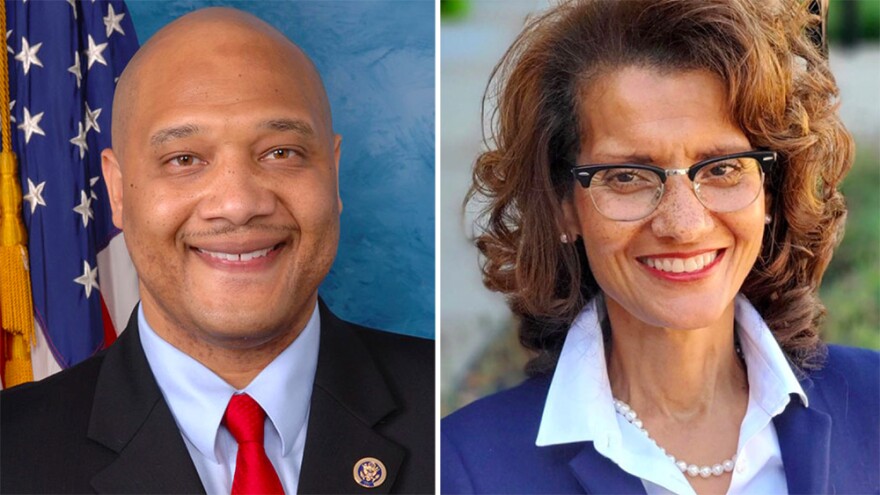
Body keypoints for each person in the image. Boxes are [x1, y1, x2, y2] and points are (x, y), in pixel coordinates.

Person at [441, 0, 878, 494]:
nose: (683, 225)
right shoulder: (460, 467)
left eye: (722, 168)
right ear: (563, 206)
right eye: (627, 176)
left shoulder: (874, 406)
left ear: (771, 192)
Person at [1, 8, 433, 494]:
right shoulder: (10, 456)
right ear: (117, 191)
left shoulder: (447, 413)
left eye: (281, 152)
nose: (238, 204)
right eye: (184, 159)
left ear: (331, 174)